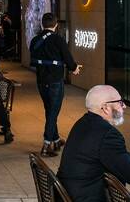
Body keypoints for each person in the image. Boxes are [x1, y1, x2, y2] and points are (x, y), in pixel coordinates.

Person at [57, 85, 130, 201]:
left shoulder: (82, 123)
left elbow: (114, 157)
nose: (124, 106)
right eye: (120, 103)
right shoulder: (108, 135)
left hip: (68, 194)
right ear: (106, 107)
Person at [29, 12, 82, 157]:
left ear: (42, 24)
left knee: (50, 110)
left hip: (41, 80)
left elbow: (32, 58)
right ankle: (47, 144)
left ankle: (56, 139)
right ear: (56, 25)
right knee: (53, 111)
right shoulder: (58, 39)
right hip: (55, 80)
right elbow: (68, 58)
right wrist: (74, 68)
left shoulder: (35, 40)